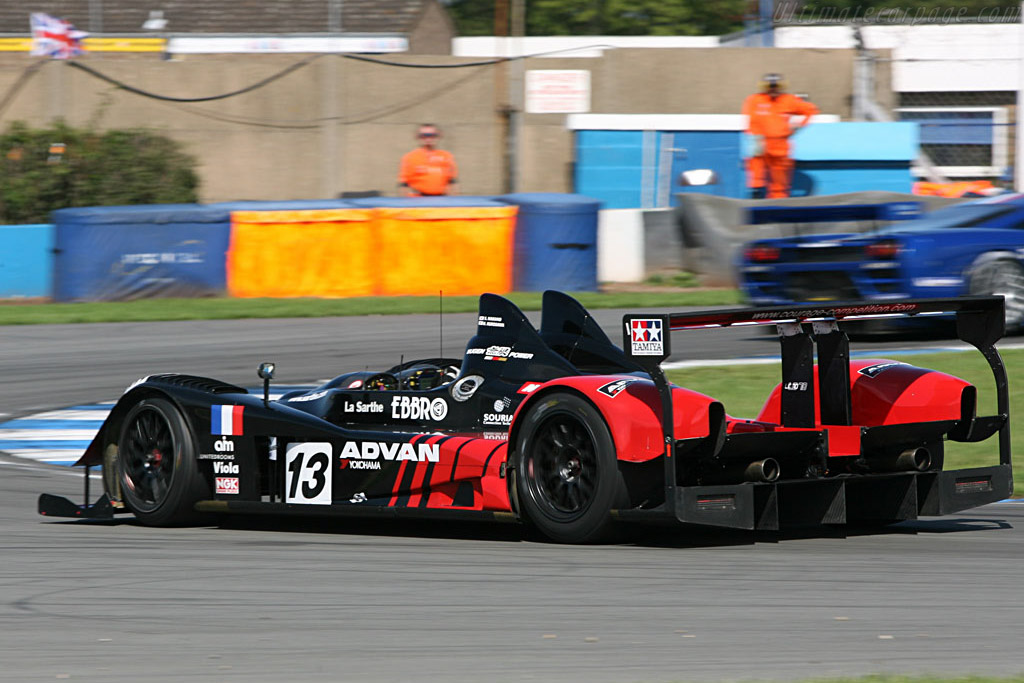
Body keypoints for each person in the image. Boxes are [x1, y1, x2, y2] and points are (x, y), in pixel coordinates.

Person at [742, 73, 819, 199]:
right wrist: (754, 139)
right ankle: (756, 197)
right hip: (760, 142)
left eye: (776, 86)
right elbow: (752, 121)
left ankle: (778, 204)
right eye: (769, 86)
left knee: (780, 179)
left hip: (780, 144)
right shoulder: (754, 100)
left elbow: (810, 110)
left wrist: (797, 126)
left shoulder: (789, 100)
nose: (772, 89)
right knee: (756, 174)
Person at [398, 124, 458, 196]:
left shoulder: (446, 156)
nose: (428, 138)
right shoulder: (409, 157)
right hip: (417, 201)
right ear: (417, 137)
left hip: (441, 200)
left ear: (438, 136)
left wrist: (453, 202)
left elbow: (452, 182)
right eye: (424, 135)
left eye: (432, 135)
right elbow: (404, 184)